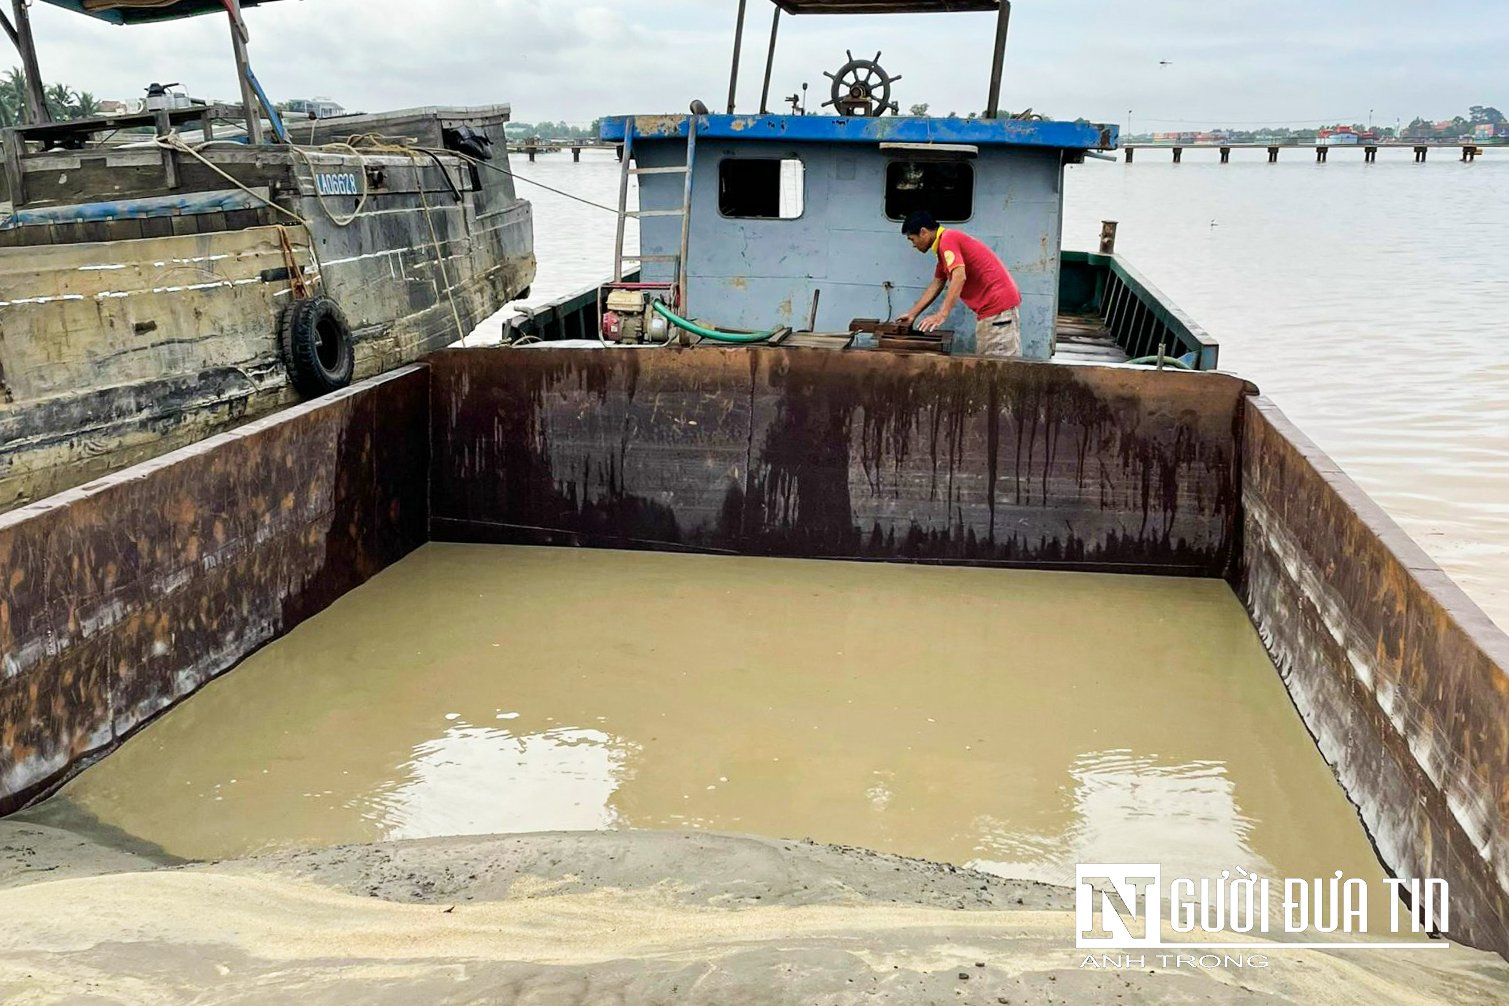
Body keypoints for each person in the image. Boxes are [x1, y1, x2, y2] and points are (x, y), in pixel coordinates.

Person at [896, 211, 1023, 357]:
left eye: (912, 239)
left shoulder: (947, 240)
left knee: (998, 367)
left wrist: (942, 314)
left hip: (997, 309)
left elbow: (959, 275)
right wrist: (912, 314)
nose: (913, 245)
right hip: (992, 310)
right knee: (988, 363)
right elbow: (937, 283)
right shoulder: (943, 250)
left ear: (923, 232)